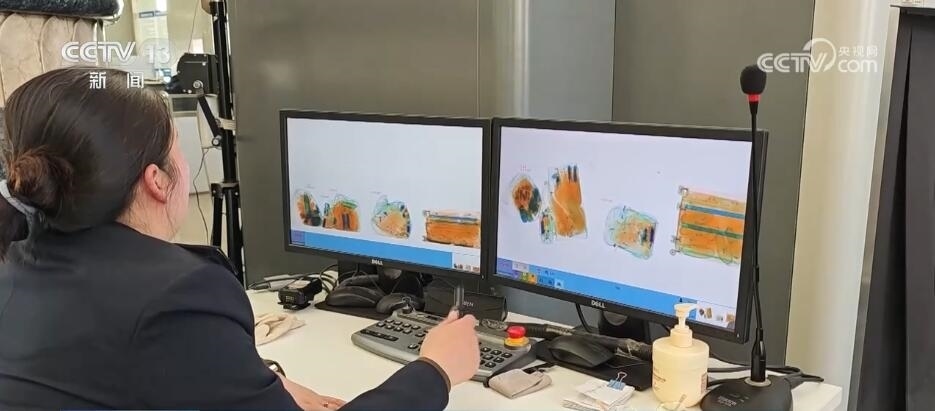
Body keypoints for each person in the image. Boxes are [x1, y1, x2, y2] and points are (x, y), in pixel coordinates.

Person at [0, 68, 480, 410]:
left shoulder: (16, 263)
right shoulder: (176, 295)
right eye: (177, 149)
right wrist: (436, 370)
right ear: (157, 180)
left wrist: (261, 386)